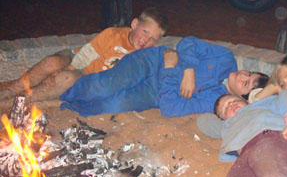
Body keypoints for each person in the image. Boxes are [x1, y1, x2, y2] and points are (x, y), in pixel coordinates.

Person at [59, 36, 269, 117]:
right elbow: (188, 43)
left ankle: (65, 104)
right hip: (151, 62)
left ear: (242, 98)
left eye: (246, 83)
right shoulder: (225, 58)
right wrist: (188, 71)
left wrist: (170, 70)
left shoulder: (216, 101)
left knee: (109, 106)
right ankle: (62, 89)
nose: (243, 74)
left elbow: (172, 108)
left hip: (153, 93)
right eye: (249, 73)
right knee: (107, 86)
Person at [0, 7, 168, 106]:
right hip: (78, 59)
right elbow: (87, 53)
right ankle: (9, 91)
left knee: (65, 79)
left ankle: (16, 101)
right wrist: (65, 68)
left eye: (153, 38)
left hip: (87, 77)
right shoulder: (113, 34)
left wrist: (65, 74)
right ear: (134, 24)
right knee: (51, 63)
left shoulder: (144, 56)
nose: (146, 40)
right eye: (145, 32)